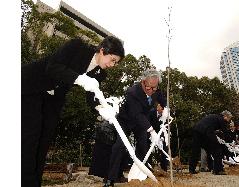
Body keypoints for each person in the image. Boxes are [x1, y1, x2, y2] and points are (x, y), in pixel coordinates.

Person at [21, 36, 125, 187]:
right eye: (113, 59)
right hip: (32, 87)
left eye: (116, 62)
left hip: (54, 99)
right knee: (30, 137)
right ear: (103, 50)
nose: (113, 65)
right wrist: (80, 79)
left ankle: (35, 182)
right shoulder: (77, 46)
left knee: (44, 140)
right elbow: (52, 67)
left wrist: (102, 108)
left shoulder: (100, 74)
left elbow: (91, 97)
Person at [103, 69, 166, 187]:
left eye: (155, 88)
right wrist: (151, 131)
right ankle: (111, 178)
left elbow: (163, 101)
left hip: (141, 123)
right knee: (120, 146)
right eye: (149, 88)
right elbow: (137, 115)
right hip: (126, 120)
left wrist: (165, 110)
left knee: (143, 146)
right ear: (143, 82)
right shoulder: (132, 92)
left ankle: (142, 174)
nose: (152, 91)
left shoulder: (155, 89)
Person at [188, 110, 233, 175]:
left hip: (197, 130)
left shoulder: (214, 116)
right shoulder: (221, 119)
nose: (229, 121)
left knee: (196, 150)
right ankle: (218, 170)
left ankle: (191, 170)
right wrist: (231, 141)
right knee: (217, 149)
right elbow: (225, 131)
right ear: (225, 116)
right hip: (206, 131)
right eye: (229, 118)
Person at [148, 103, 168, 171]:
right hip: (151, 131)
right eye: (161, 108)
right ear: (157, 107)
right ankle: (149, 167)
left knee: (164, 147)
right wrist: (152, 133)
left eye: (163, 109)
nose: (162, 110)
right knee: (149, 148)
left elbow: (165, 126)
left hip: (160, 133)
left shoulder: (165, 114)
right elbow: (148, 123)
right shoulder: (151, 113)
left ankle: (164, 168)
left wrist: (162, 137)